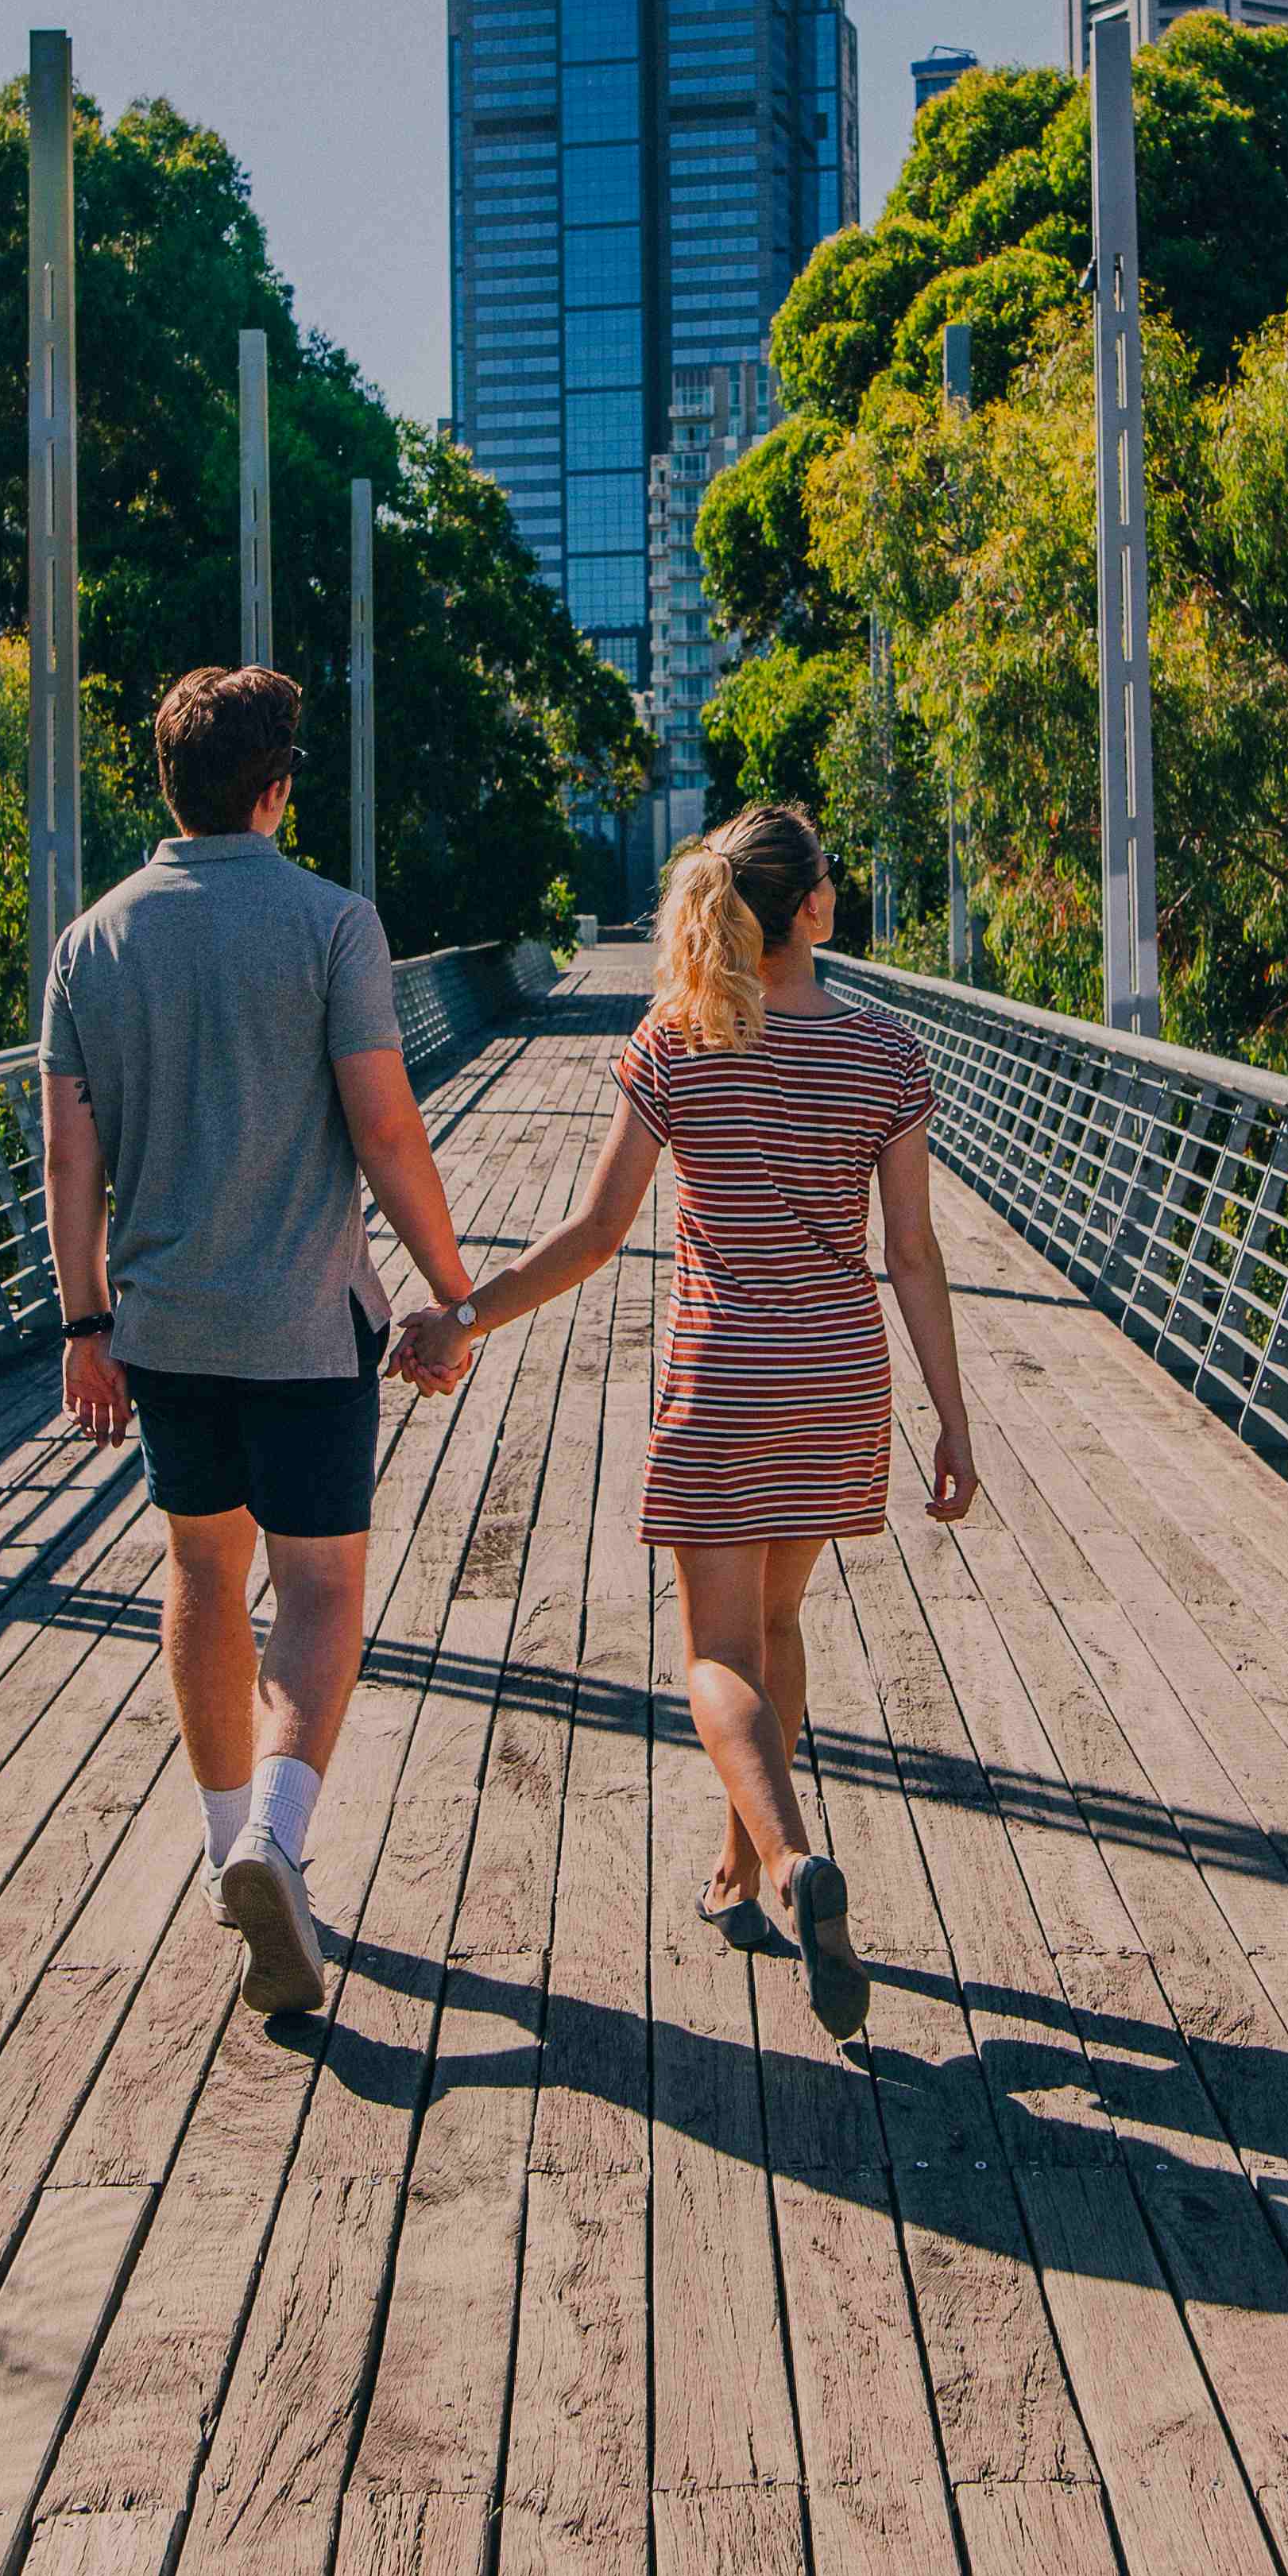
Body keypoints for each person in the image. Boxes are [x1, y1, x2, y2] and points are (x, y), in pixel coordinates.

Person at [391, 801, 977, 2042]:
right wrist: (953, 1422)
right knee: (775, 1626)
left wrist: (462, 1315)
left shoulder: (678, 1042)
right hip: (837, 1381)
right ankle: (740, 1872)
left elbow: (597, 1234)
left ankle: (784, 1861)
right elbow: (914, 1257)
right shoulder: (890, 1059)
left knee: (716, 1657)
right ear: (813, 908)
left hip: (722, 1380)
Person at [43, 665, 483, 2020]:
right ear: (278, 789)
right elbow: (388, 1130)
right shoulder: (331, 924)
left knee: (199, 1568)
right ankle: (272, 1843)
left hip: (163, 1327)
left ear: (166, 787)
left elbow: (70, 1156)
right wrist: (453, 1292)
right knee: (323, 1589)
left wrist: (83, 1321)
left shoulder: (92, 942)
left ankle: (223, 1835)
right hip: (303, 1322)